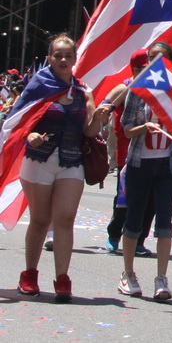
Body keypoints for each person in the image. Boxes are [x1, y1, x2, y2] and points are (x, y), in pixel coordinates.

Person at [7, 35, 110, 302]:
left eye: (68, 55)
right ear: (50, 58)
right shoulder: (38, 85)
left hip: (72, 160)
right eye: (58, 55)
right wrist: (31, 136)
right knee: (40, 220)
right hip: (38, 160)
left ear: (75, 59)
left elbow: (88, 130)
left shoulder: (83, 91)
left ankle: (63, 280)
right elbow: (18, 122)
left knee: (65, 218)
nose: (63, 60)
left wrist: (97, 119)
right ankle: (29, 274)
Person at [117, 41, 172, 301]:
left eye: (161, 58)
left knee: (165, 221)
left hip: (167, 166)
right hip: (140, 164)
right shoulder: (136, 91)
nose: (155, 62)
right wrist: (145, 127)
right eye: (151, 58)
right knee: (134, 220)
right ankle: (128, 273)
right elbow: (127, 129)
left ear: (171, 62)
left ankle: (161, 278)